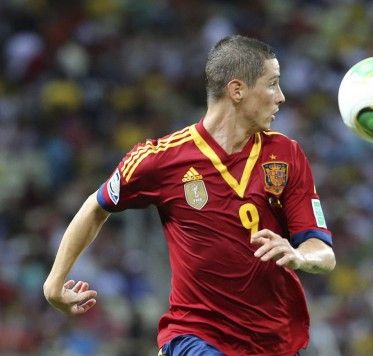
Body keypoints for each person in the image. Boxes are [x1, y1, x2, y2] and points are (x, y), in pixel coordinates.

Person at [43, 35, 336, 355]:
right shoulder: (160, 159)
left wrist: (299, 256)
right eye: (272, 84)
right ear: (237, 90)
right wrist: (53, 284)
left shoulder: (286, 155)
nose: (281, 97)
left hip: (275, 342)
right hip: (195, 338)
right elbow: (96, 207)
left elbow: (323, 252)